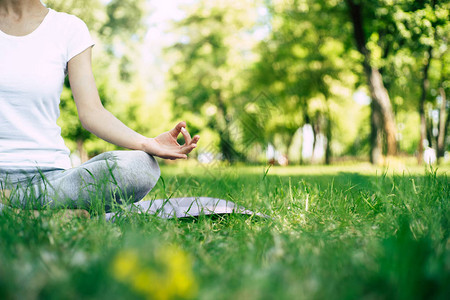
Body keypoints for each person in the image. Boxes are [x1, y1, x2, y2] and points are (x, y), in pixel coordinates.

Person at [0, 0, 199, 212]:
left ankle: (12, 205)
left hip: (53, 180)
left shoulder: (68, 29)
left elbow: (92, 112)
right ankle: (38, 214)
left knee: (141, 167)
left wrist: (146, 143)